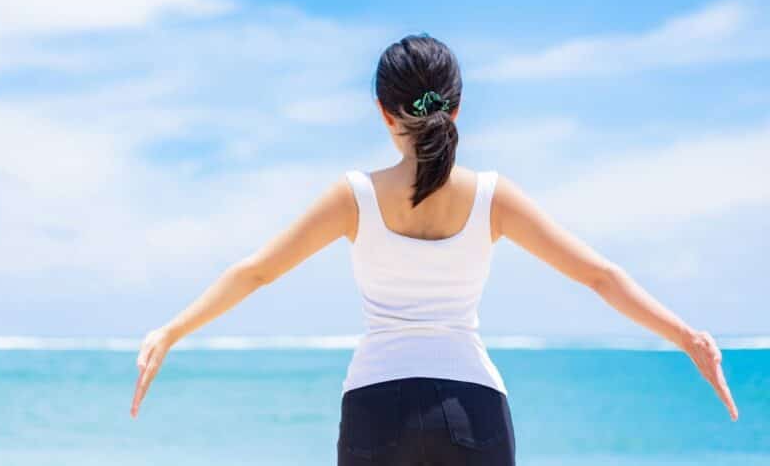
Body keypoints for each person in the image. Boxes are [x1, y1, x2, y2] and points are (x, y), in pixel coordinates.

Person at [130, 33, 738, 465]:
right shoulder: (494, 197)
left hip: (375, 409)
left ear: (383, 112)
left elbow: (256, 272)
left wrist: (171, 331)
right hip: (473, 407)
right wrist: (687, 336)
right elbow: (600, 276)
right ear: (458, 106)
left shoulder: (355, 196)